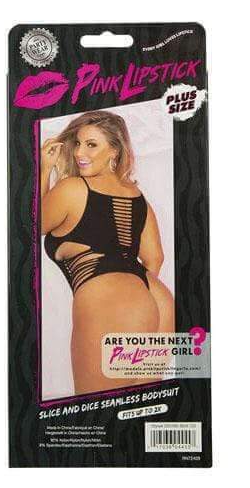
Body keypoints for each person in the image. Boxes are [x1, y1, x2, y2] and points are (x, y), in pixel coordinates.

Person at [41, 110, 174, 395]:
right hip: (158, 301)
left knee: (96, 409)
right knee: (137, 410)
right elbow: (155, 258)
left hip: (113, 302)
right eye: (78, 143)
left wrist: (44, 171)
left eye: (91, 144)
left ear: (114, 150)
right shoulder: (135, 195)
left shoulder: (72, 188)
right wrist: (137, 298)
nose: (79, 152)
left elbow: (32, 224)